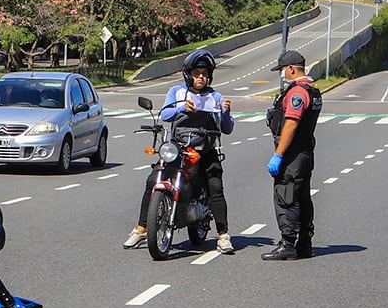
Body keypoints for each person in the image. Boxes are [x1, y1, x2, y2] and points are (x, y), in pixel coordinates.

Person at [124, 49, 236, 252]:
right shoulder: (177, 92)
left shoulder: (215, 96)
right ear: (188, 74)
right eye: (196, 73)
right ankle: (141, 228)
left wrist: (226, 111)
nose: (201, 77)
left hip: (205, 147)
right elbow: (165, 114)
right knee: (152, 180)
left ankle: (223, 235)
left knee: (215, 186)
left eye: (204, 73)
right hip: (178, 147)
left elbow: (227, 128)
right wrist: (182, 108)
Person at [262, 49, 322, 261]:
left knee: (287, 196)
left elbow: (291, 125)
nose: (282, 74)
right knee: (302, 197)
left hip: (292, 153)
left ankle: (288, 243)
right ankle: (304, 243)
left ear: (291, 68)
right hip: (305, 152)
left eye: (282, 70)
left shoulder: (297, 92)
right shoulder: (312, 90)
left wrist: (279, 154)